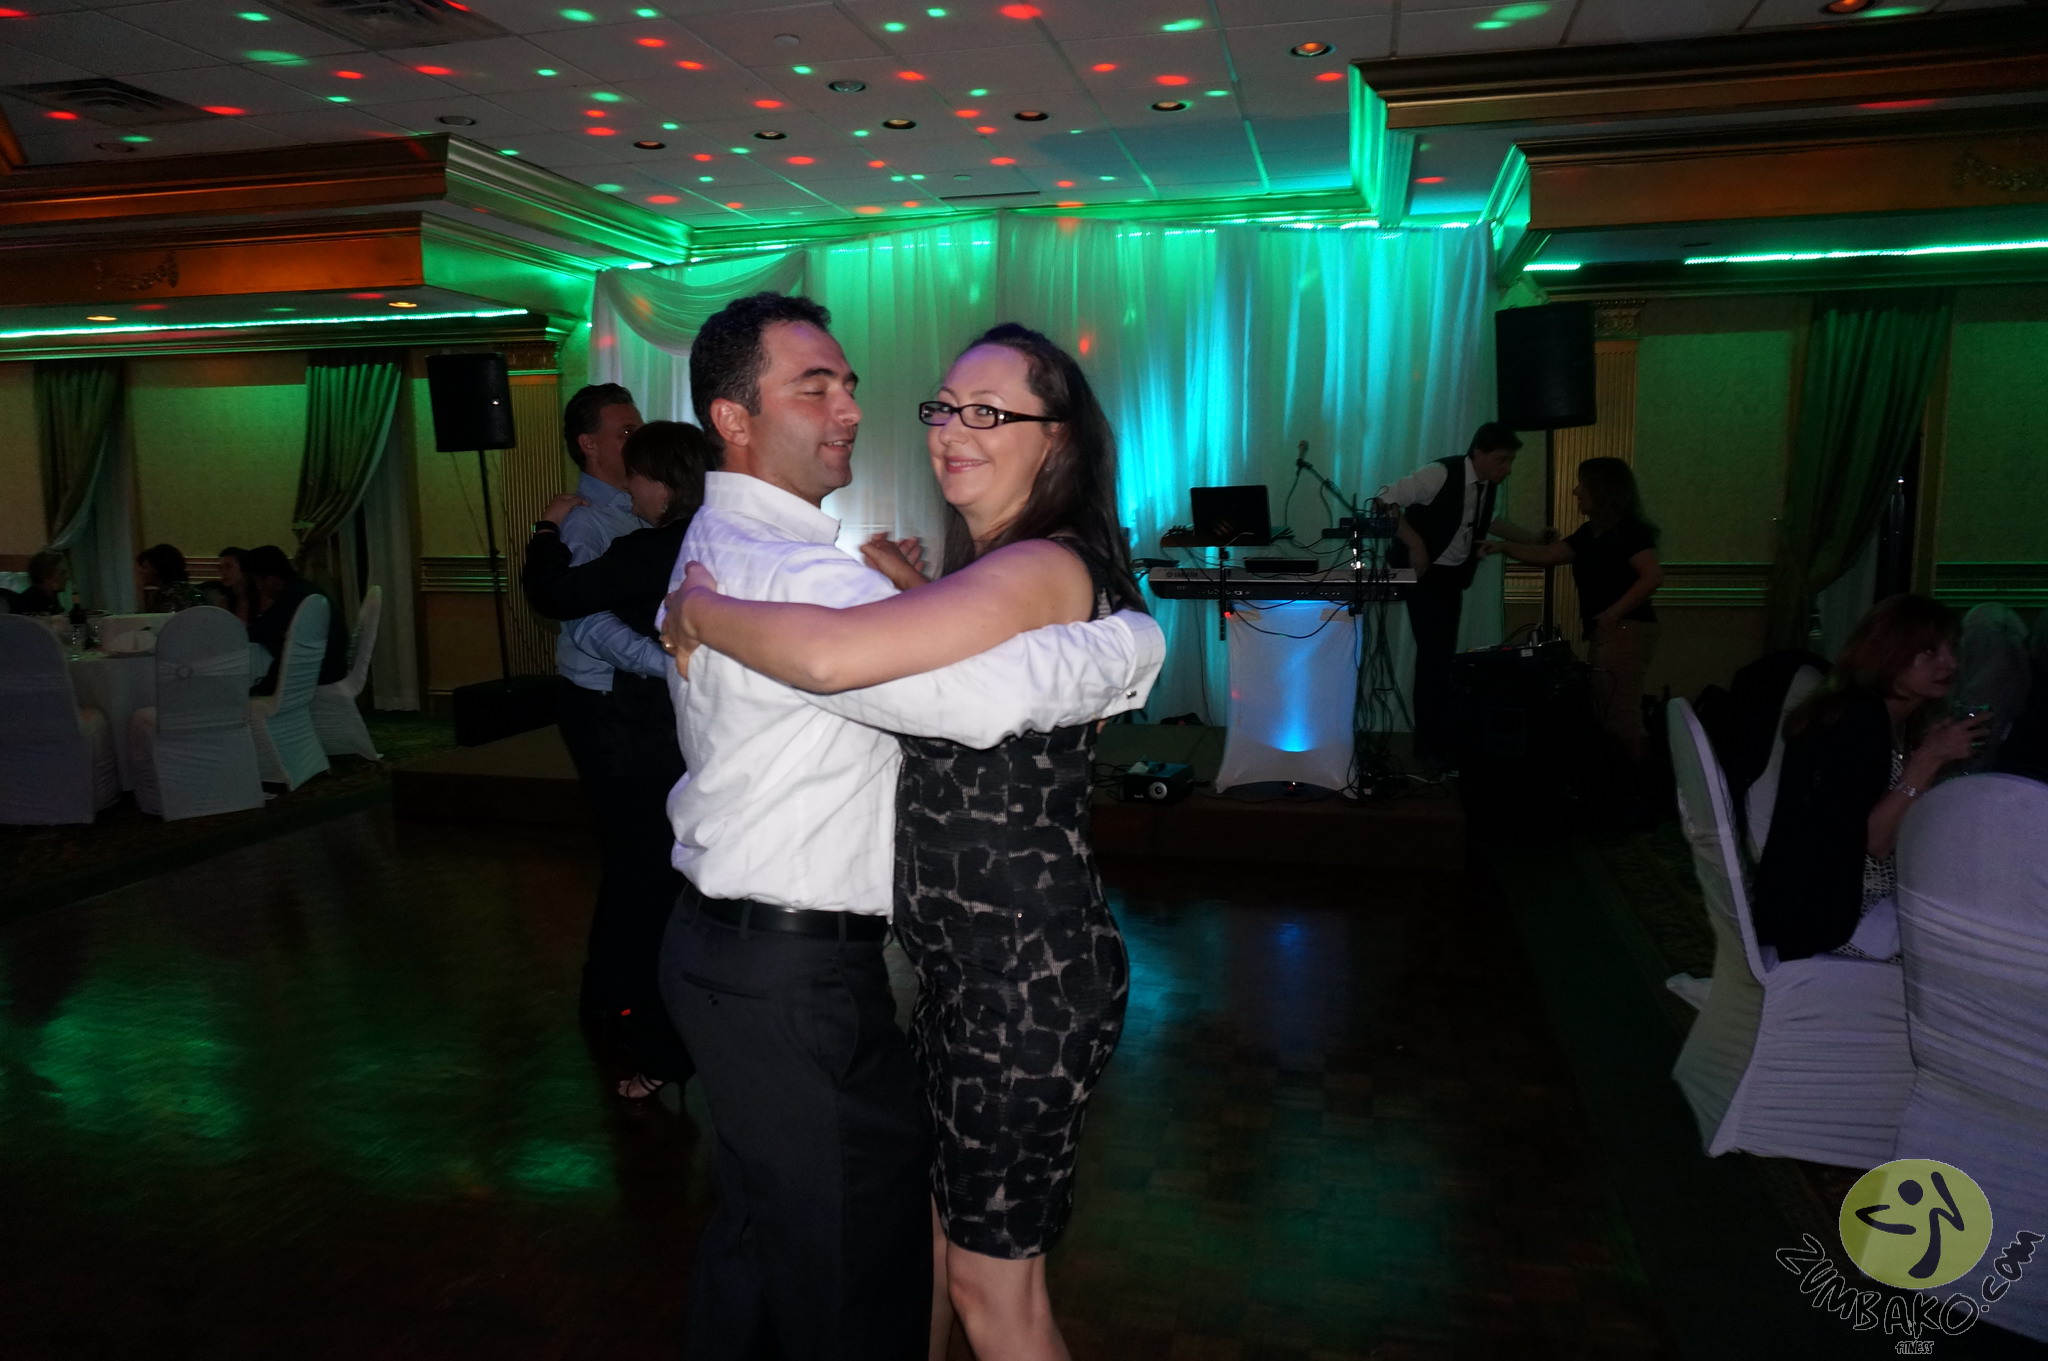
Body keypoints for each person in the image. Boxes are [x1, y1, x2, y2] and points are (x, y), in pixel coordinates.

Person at [652, 293, 1162, 1361]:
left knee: (968, 1281)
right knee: (883, 1251)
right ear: (732, 417)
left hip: (1019, 981)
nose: (935, 426)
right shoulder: (824, 571)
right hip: (931, 975)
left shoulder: (759, 559)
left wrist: (1130, 647)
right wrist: (927, 597)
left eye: (989, 412)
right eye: (946, 407)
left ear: (1056, 438)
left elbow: (885, 669)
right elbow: (938, 669)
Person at [521, 419, 714, 1101]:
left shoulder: (648, 546)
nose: (631, 488)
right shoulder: (720, 539)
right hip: (696, 733)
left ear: (660, 483)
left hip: (646, 735)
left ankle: (655, 1039)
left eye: (639, 475)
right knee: (658, 876)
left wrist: (544, 530)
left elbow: (555, 596)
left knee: (647, 883)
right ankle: (636, 1012)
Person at [1753, 595, 1988, 962]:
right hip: (1832, 917)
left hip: (1844, 900)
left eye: (1952, 648)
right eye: (1930, 651)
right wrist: (1928, 760)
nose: (1951, 663)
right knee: (1979, 945)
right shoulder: (1854, 721)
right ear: (1888, 652)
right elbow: (1875, 842)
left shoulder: (1888, 717)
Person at [1377, 423, 1550, 763]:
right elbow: (1384, 500)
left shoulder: (1486, 485)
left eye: (1510, 461)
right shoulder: (1441, 473)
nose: (1507, 468)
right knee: (1434, 658)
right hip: (1423, 575)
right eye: (1502, 460)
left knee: (1440, 659)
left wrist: (1531, 539)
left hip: (1450, 578)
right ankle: (1430, 746)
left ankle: (1436, 741)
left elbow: (1491, 521)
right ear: (1479, 453)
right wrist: (1415, 544)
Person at [1483, 457, 1665, 760]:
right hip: (1611, 632)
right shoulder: (1591, 532)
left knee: (1622, 718)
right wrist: (1503, 546)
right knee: (1609, 714)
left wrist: (1612, 613)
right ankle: (1624, 781)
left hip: (1626, 631)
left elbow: (1652, 577)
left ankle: (1642, 784)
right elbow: (1549, 554)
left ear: (1602, 489)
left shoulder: (1629, 531)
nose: (1576, 491)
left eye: (1583, 484)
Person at [243, 545, 349, 696]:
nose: (259, 588)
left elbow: (260, 632)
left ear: (271, 580)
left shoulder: (291, 598)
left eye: (258, 582)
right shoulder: (303, 590)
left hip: (317, 673)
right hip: (331, 665)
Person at [134, 543, 202, 612]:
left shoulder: (168, 596)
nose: (141, 572)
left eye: (145, 567)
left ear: (158, 568)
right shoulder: (190, 591)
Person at [205, 547, 256, 621]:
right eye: (220, 567)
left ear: (244, 568)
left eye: (228, 566)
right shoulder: (223, 603)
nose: (223, 572)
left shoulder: (262, 602)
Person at [15, 549, 68, 616]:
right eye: (61, 573)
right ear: (46, 577)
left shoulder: (51, 596)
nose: (66, 577)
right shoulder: (30, 601)